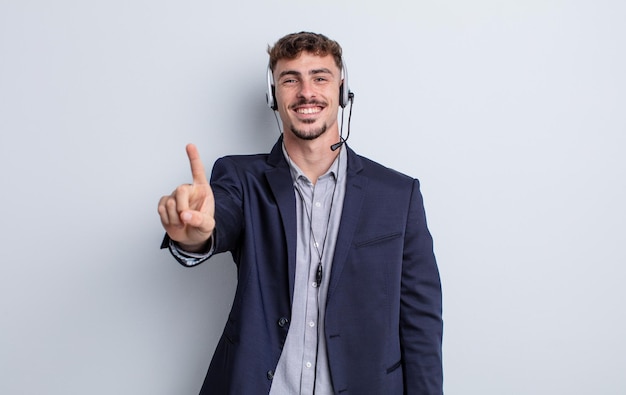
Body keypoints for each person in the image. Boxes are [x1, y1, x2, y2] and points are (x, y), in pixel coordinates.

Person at [158, 31, 443, 395]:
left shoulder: (398, 194)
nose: (306, 91)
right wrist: (195, 236)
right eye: (290, 79)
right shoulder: (241, 178)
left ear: (342, 91)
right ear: (273, 96)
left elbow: (421, 322)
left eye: (320, 77)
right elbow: (219, 220)